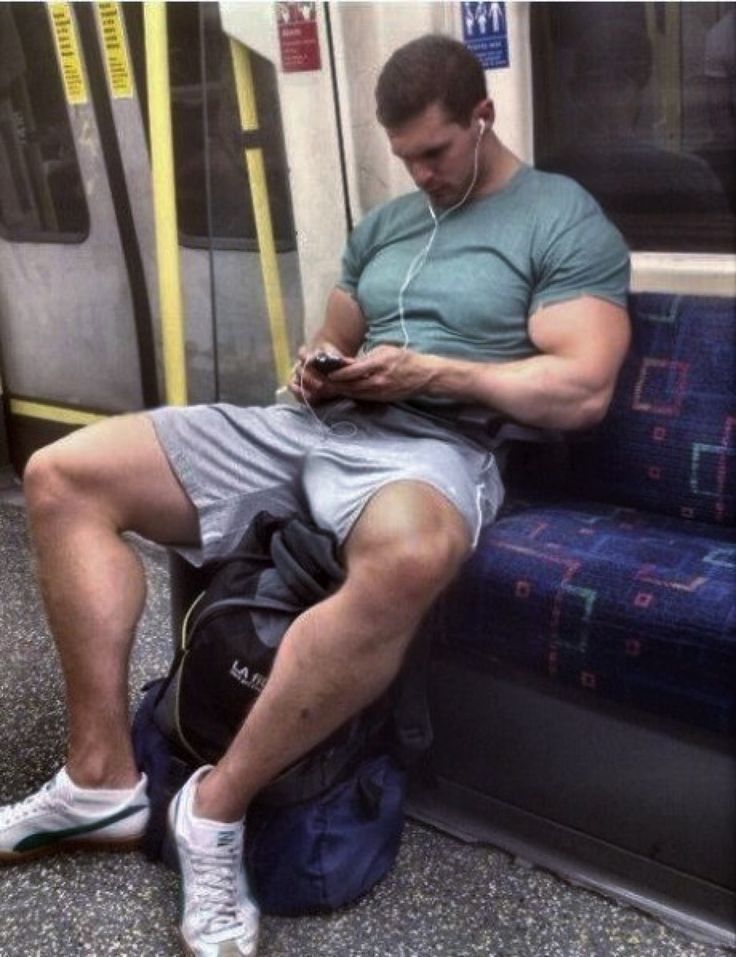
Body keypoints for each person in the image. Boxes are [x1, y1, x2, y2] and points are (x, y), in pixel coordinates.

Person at [0, 33, 631, 957]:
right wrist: (318, 368)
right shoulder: (387, 227)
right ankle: (101, 776)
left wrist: (433, 372)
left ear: (481, 117)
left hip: (434, 444)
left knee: (414, 552)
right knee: (62, 474)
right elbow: (331, 334)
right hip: (316, 428)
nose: (419, 173)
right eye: (404, 156)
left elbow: (582, 387)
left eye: (435, 153)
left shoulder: (558, 219)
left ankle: (213, 809)